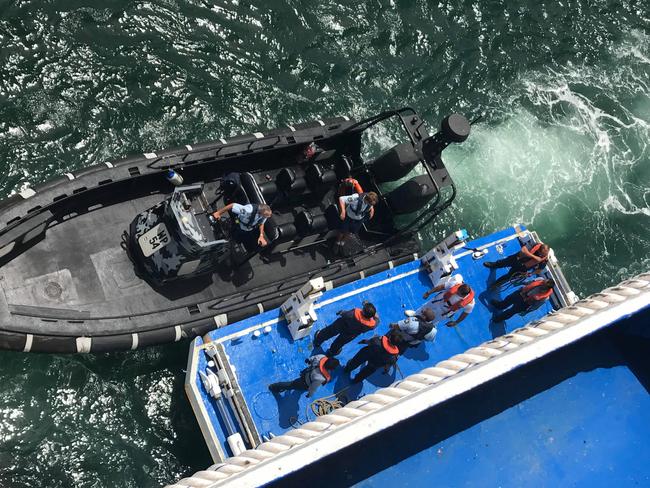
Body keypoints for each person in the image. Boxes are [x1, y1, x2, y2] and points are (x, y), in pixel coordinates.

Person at [313, 301, 379, 356]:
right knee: (340, 342)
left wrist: (340, 312)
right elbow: (377, 320)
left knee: (329, 331)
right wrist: (372, 312)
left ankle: (318, 341)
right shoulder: (371, 325)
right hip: (351, 334)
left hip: (340, 325)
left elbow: (344, 314)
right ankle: (331, 352)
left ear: (363, 311)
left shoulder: (353, 314)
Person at [483, 242, 550, 289]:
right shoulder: (536, 246)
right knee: (502, 262)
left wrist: (531, 273)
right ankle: (493, 265)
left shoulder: (544, 260)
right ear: (539, 250)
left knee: (508, 277)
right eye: (542, 254)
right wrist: (535, 257)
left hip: (522, 268)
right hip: (517, 258)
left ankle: (495, 284)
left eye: (545, 254)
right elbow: (523, 250)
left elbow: (539, 270)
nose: (543, 256)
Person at [269, 355, 339, 398]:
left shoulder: (321, 357)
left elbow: (311, 358)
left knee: (293, 383)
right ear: (330, 369)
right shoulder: (321, 378)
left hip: (305, 373)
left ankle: (277, 386)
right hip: (303, 383)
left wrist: (309, 360)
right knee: (290, 385)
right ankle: (274, 386)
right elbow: (313, 388)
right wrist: (310, 394)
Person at [491, 278, 555, 322]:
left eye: (544, 283)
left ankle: (499, 319)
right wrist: (519, 283)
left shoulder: (545, 297)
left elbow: (536, 306)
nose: (542, 282)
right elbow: (529, 282)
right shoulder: (540, 280)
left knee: (510, 312)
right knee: (508, 299)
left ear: (547, 287)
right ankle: (499, 305)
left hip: (524, 303)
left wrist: (527, 312)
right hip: (520, 293)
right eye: (544, 281)